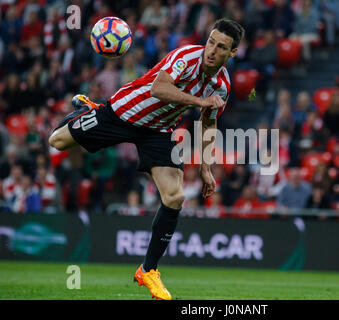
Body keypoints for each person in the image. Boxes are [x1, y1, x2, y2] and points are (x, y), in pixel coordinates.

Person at [48, 18, 245, 300]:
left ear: (233, 52)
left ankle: (148, 271)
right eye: (211, 41)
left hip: (157, 131)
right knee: (56, 141)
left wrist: (205, 168)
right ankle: (89, 110)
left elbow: (209, 124)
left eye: (221, 46)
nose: (212, 50)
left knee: (175, 196)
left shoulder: (222, 85)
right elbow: (159, 89)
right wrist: (200, 102)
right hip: (122, 113)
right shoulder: (185, 56)